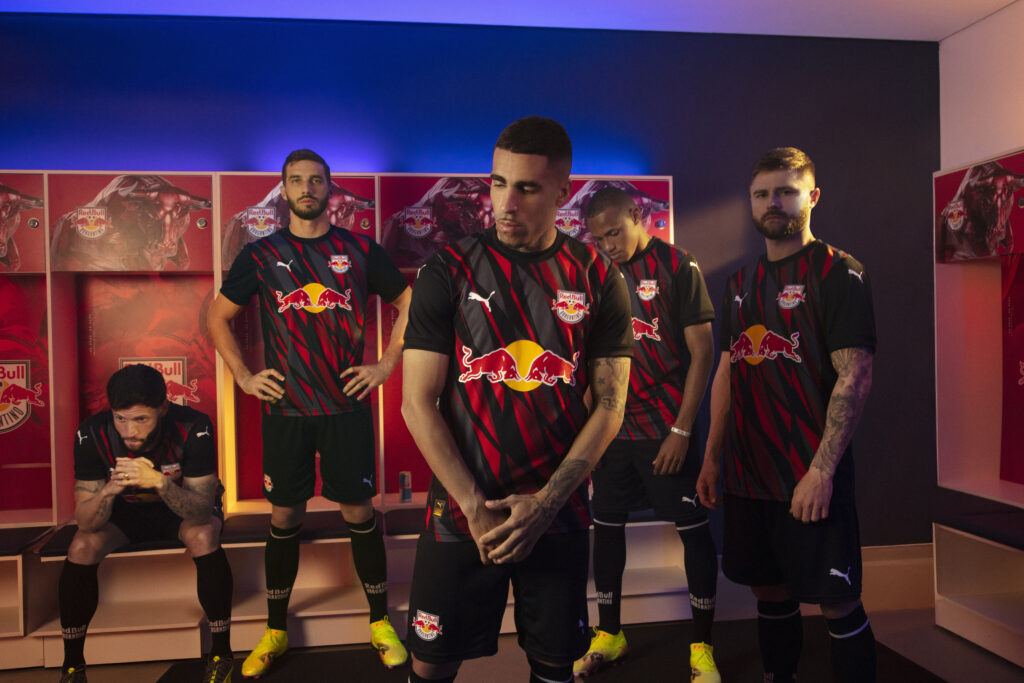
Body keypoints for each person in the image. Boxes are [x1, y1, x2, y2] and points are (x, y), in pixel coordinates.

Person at [400, 116, 633, 683]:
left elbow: (609, 405)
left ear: (562, 190)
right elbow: (416, 402)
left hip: (556, 512)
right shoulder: (447, 270)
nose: (505, 203)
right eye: (498, 183)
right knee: (430, 667)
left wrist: (546, 505)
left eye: (526, 187)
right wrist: (475, 507)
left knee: (555, 667)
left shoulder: (597, 275)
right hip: (462, 511)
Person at [207, 149, 412, 677]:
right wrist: (244, 376)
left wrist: (386, 364)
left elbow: (409, 303)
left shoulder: (359, 250)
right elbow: (217, 317)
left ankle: (379, 622)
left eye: (316, 180)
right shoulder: (261, 254)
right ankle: (275, 630)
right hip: (286, 409)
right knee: (284, 517)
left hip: (345, 407)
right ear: (284, 190)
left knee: (359, 512)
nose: (306, 188)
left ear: (329, 188)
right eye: (296, 180)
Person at [697, 147, 877, 683]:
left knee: (836, 600)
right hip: (749, 477)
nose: (772, 202)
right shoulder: (738, 284)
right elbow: (727, 371)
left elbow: (855, 376)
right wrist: (712, 456)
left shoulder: (839, 272)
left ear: (812, 197)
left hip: (810, 475)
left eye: (785, 191)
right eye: (761, 194)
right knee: (769, 591)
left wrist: (821, 471)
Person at [578, 186, 720, 680]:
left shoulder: (679, 265)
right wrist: (590, 433)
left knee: (693, 533)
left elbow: (704, 353)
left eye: (614, 233)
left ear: (637, 215)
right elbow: (590, 359)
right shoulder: (596, 275)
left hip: (666, 429)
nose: (608, 245)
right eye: (599, 238)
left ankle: (702, 646)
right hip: (613, 430)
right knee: (606, 529)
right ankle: (610, 634)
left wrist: (682, 429)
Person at [58, 363, 233, 683]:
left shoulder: (194, 426)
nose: (129, 431)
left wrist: (160, 483)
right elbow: (85, 522)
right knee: (82, 546)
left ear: (162, 408)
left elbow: (199, 511)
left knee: (204, 534)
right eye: (120, 419)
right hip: (124, 511)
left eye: (141, 419)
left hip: (179, 508)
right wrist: (109, 490)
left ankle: (221, 654)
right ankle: (72, 667)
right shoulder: (92, 432)